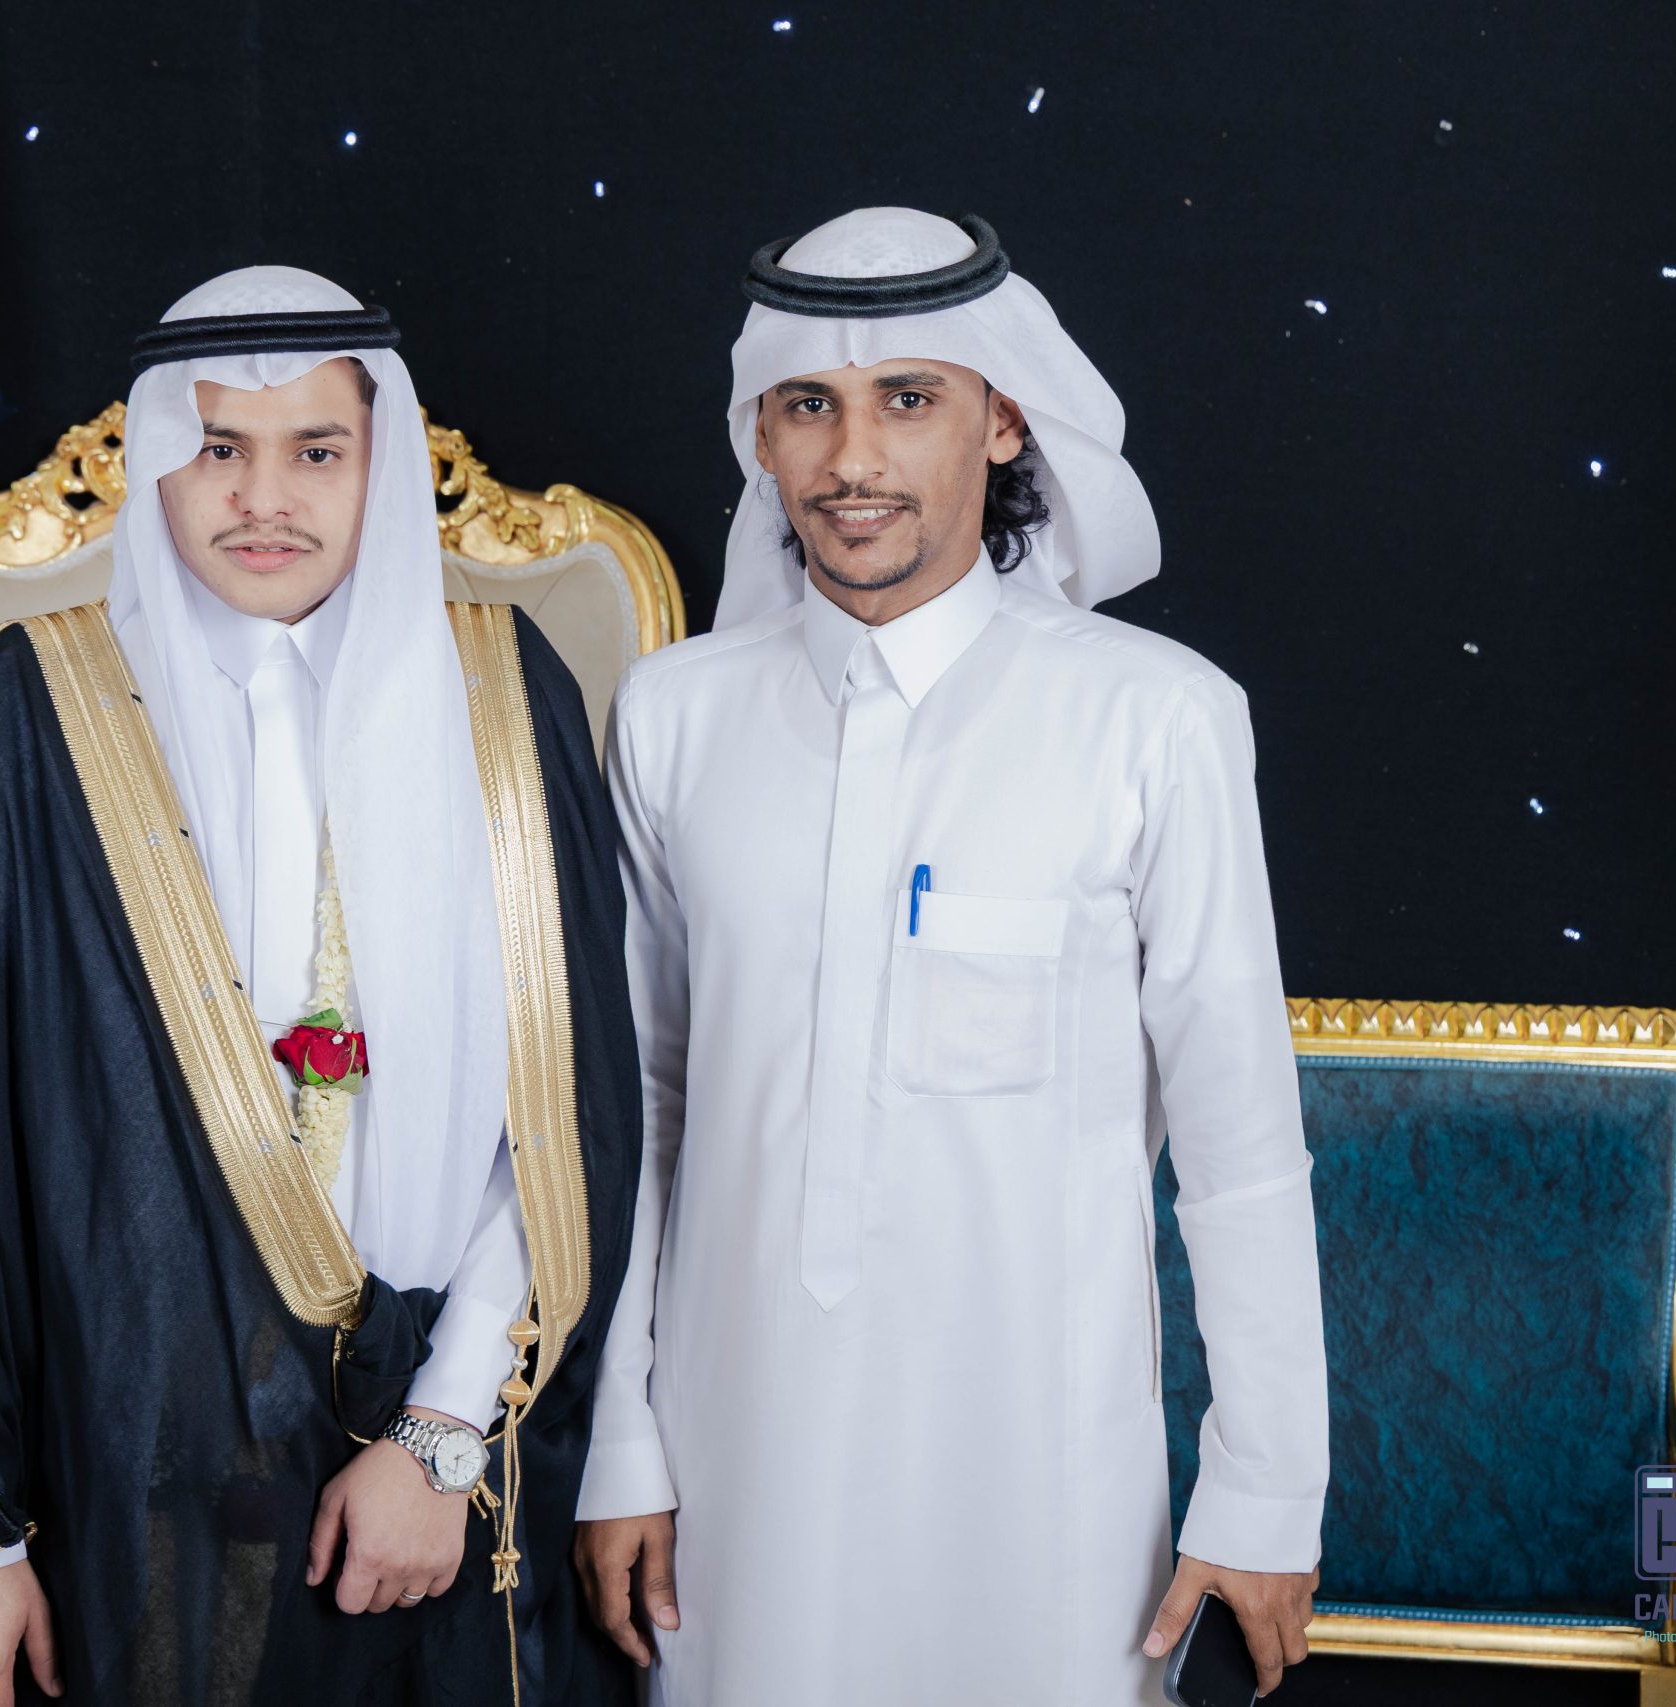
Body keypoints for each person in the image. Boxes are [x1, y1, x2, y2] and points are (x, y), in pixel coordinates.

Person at [0, 265, 641, 1706]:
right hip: (120, 1473)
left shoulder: (508, 699)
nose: (264, 500)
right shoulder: (23, 713)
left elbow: (572, 1119)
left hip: (445, 1467)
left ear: (381, 462)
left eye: (316, 451)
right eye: (216, 450)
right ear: (154, 464)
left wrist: (445, 1434)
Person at [570, 207, 1330, 1705]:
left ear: (1002, 421)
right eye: (809, 405)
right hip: (731, 1478)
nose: (852, 458)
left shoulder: (1155, 720)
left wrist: (1264, 1488)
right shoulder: (672, 717)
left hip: (1044, 1485)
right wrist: (621, 1445)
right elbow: (639, 1113)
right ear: (762, 438)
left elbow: (1240, 1146)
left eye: (908, 400)